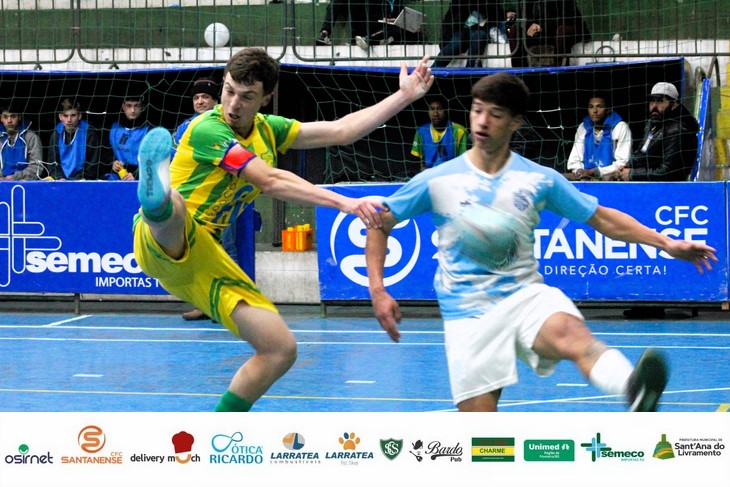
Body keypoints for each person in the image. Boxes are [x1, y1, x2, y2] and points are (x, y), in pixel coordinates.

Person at [365, 72, 718, 412]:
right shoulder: (438, 179)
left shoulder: (538, 179)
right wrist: (378, 289)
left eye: (495, 114)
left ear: (515, 122)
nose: (482, 121)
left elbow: (603, 219)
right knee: (482, 435)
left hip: (524, 296)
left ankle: (634, 389)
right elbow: (379, 223)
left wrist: (666, 243)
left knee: (572, 333)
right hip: (467, 311)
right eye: (477, 110)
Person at [133, 47, 433, 412]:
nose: (233, 104)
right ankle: (155, 199)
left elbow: (341, 131)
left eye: (247, 97)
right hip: (163, 238)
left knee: (280, 349)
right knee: (175, 209)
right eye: (229, 91)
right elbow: (270, 180)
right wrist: (346, 203)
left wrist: (404, 95)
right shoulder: (207, 129)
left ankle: (219, 431)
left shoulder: (268, 130)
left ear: (266, 98)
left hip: (205, 259)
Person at [615, 82, 699, 182]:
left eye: (660, 101)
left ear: (673, 104)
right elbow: (642, 151)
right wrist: (627, 166)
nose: (654, 106)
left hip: (669, 188)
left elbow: (668, 172)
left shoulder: (677, 130)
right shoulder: (653, 123)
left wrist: (632, 174)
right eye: (652, 101)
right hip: (650, 184)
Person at [566, 94, 632, 181]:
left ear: (608, 110)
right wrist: (579, 171)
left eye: (599, 107)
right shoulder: (583, 127)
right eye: (591, 107)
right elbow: (574, 160)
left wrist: (596, 172)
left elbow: (622, 162)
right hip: (585, 178)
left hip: (611, 178)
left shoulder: (620, 127)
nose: (594, 111)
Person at [506, 1, 590, 68]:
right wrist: (530, 25)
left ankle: (559, 69)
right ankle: (520, 73)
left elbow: (569, 18)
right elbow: (525, 16)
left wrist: (540, 26)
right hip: (543, 30)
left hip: (565, 27)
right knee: (514, 31)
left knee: (562, 31)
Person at [432, 0, 506, 68]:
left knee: (478, 37)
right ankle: (434, 70)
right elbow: (454, 15)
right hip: (459, 28)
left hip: (479, 28)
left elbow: (496, 12)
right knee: (455, 44)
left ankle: (471, 69)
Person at [46, 98, 107, 180]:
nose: (69, 120)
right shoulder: (56, 134)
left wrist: (73, 181)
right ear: (60, 117)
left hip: (83, 180)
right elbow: (52, 164)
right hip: (61, 181)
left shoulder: (89, 134)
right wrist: (60, 178)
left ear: (79, 116)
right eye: (65, 116)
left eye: (73, 115)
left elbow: (92, 167)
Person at [411, 95, 468, 171]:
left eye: (439, 109)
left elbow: (463, 162)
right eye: (432, 109)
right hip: (429, 174)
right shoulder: (421, 132)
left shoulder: (459, 131)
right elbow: (420, 162)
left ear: (446, 110)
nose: (435, 114)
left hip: (452, 173)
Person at [108, 94, 151, 180]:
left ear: (142, 107)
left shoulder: (150, 130)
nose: (133, 110)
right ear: (123, 107)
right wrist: (112, 162)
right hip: (117, 174)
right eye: (129, 106)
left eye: (137, 106)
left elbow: (154, 160)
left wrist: (137, 176)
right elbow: (105, 151)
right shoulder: (113, 127)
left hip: (142, 176)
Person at [173, 77, 219, 152]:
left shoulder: (226, 122)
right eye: (196, 98)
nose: (200, 102)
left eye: (205, 97)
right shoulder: (185, 127)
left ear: (215, 101)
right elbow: (173, 153)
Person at [0, 103, 44, 181]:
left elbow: (37, 166)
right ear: (1, 118)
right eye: (5, 117)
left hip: (25, 182)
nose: (9, 121)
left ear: (19, 117)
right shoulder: (1, 138)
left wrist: (16, 177)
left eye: (13, 116)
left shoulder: (31, 137)